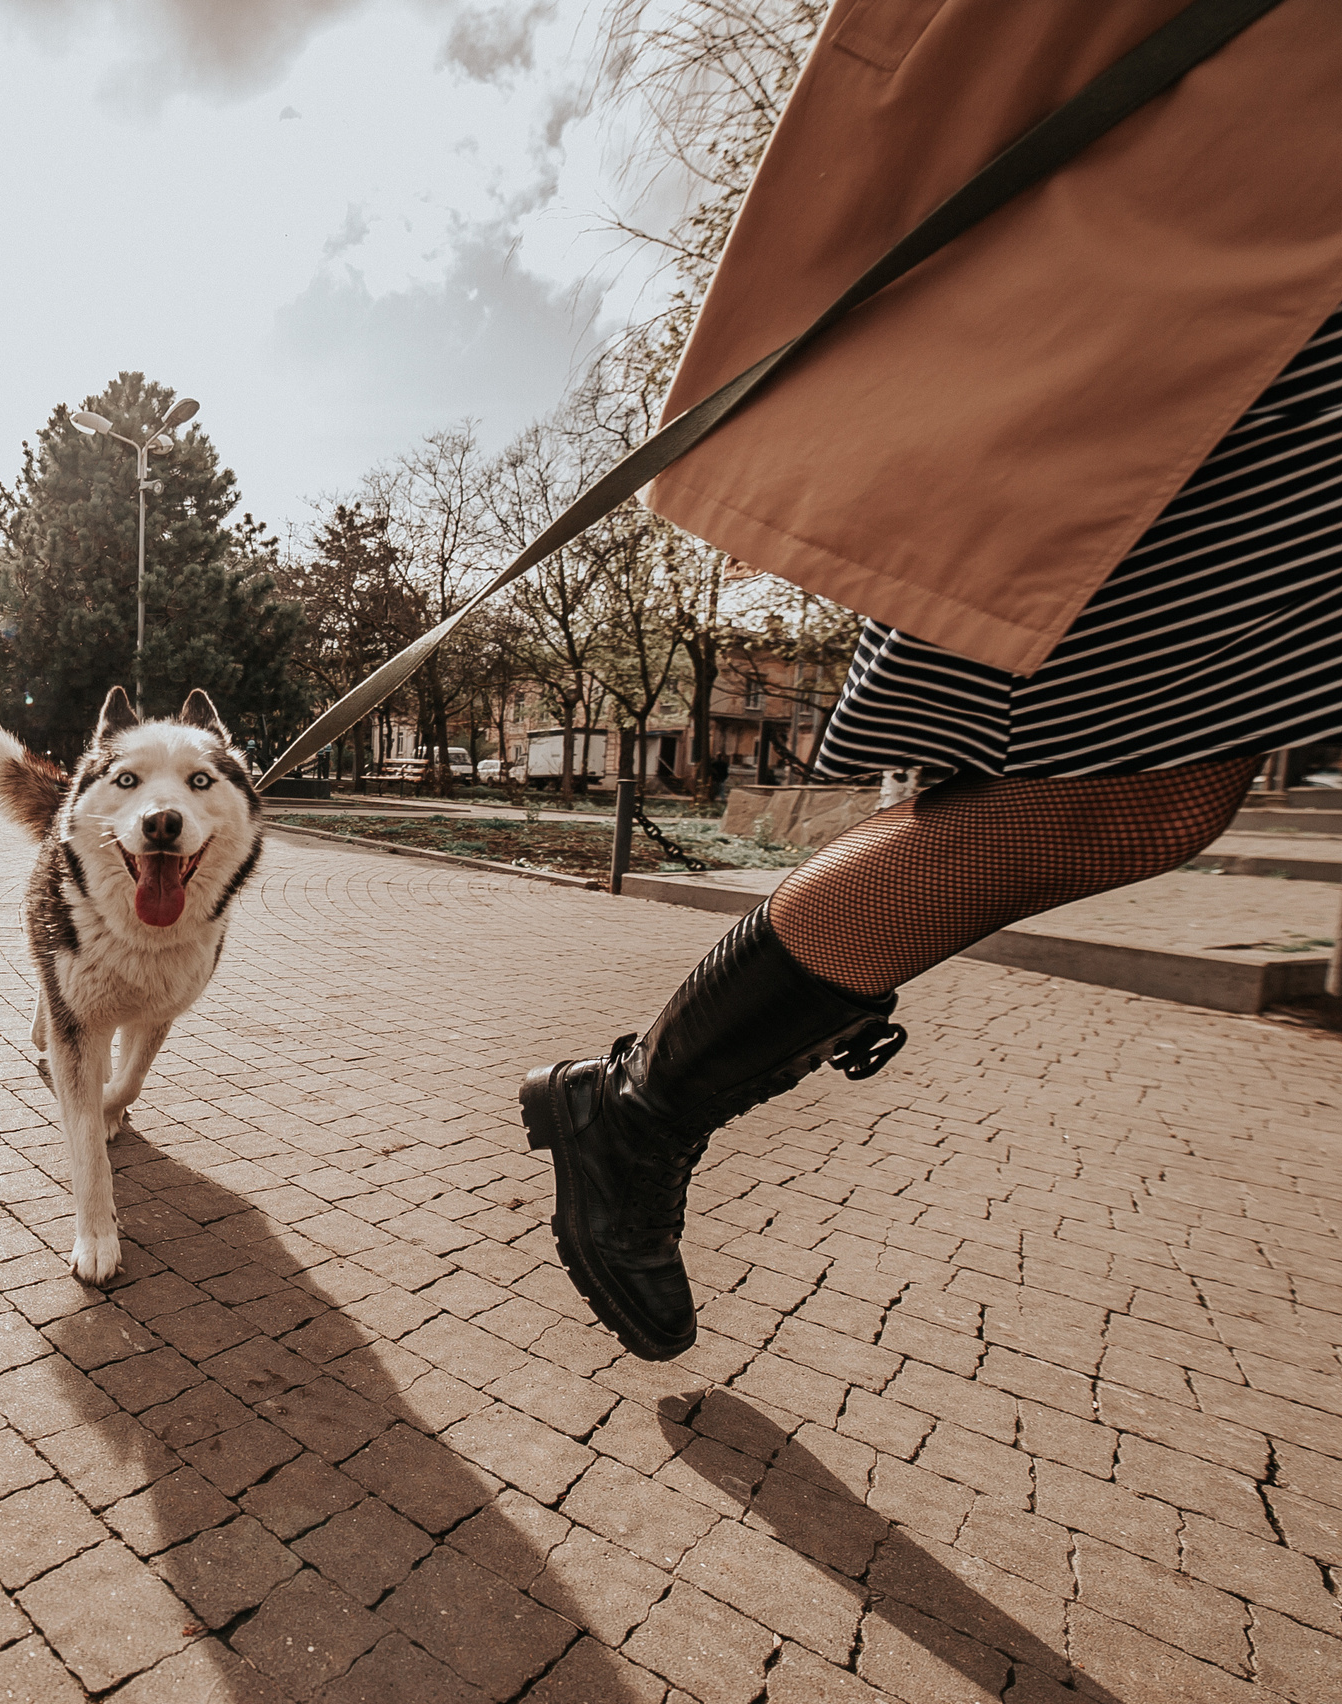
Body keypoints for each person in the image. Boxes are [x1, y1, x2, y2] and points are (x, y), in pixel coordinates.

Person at [519, 0, 1342, 1363]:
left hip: (1261, 234)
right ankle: (639, 1112)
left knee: (1148, 785)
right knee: (1145, 789)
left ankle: (639, 1111)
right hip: (1245, 221)